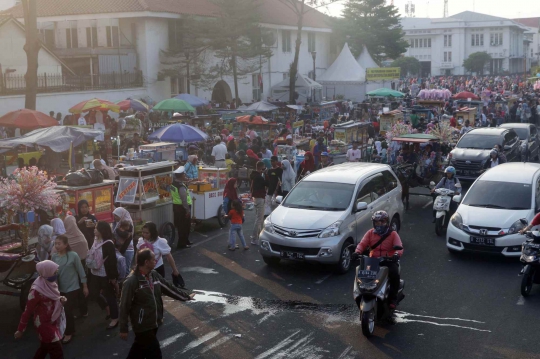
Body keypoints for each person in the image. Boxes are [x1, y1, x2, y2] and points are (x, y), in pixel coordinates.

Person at [119, 249, 195, 359]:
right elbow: (124, 305)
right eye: (153, 259)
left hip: (154, 321)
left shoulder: (153, 275)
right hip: (142, 325)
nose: (156, 261)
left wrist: (185, 297)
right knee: (155, 353)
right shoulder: (131, 282)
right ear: (146, 262)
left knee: (139, 349)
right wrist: (123, 328)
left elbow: (168, 288)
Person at [15, 260, 67, 359]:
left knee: (44, 348)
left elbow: (53, 299)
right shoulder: (36, 291)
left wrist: (60, 300)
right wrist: (20, 330)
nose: (56, 274)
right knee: (57, 353)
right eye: (54, 272)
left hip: (52, 321)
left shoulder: (50, 284)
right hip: (44, 325)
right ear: (46, 272)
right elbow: (27, 311)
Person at [354, 211, 403, 309]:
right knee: (360, 271)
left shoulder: (393, 234)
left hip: (388, 260)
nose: (379, 224)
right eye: (377, 222)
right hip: (373, 260)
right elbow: (362, 244)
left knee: (394, 273)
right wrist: (357, 252)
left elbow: (400, 247)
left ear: (387, 222)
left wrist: (396, 254)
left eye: (382, 222)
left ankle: (393, 298)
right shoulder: (370, 233)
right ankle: (360, 293)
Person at [51, 235, 88, 344]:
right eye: (55, 243)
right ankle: (63, 329)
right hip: (60, 288)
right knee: (61, 311)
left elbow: (81, 271)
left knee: (67, 310)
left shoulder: (73, 255)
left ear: (66, 245)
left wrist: (85, 286)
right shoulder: (54, 257)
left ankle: (69, 332)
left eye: (59, 243)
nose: (57, 246)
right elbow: (53, 273)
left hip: (73, 288)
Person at [87, 221, 119, 330]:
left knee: (110, 296)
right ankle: (107, 307)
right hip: (95, 272)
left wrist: (113, 277)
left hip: (105, 274)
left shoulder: (108, 243)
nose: (94, 230)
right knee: (93, 293)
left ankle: (115, 318)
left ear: (102, 230)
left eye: (96, 228)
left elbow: (112, 261)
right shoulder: (95, 240)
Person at [170, 166, 193, 249]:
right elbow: (184, 200)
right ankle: (182, 244)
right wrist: (187, 211)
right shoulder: (181, 186)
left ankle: (186, 240)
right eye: (184, 174)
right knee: (185, 227)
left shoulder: (174, 184)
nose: (185, 175)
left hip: (176, 207)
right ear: (181, 176)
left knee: (181, 226)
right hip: (182, 208)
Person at [250, 161, 267, 245]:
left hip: (256, 198)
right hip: (260, 198)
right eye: (263, 167)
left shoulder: (254, 176)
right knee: (259, 219)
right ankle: (254, 238)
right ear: (261, 167)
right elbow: (266, 184)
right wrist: (266, 175)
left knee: (258, 218)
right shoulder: (259, 177)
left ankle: (258, 236)